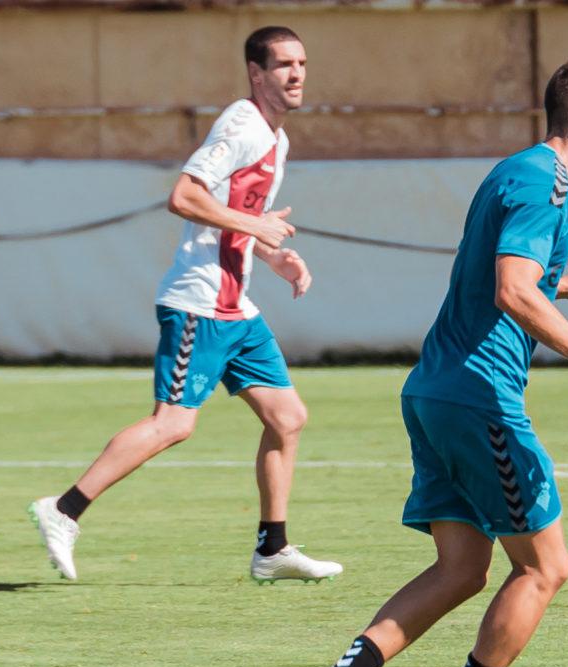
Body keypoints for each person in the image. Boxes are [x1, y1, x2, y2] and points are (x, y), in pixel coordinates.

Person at [287, 57, 568, 667]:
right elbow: (513, 291)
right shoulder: (546, 184)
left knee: (461, 569)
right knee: (545, 568)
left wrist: (565, 281)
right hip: (479, 398)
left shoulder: (520, 172)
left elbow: (514, 282)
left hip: (435, 391)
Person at [27, 26, 341, 585]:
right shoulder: (241, 124)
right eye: (284, 65)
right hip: (197, 303)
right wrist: (258, 226)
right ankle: (64, 509)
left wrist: (275, 255)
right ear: (256, 73)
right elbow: (185, 196)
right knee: (173, 424)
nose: (297, 74)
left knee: (287, 417)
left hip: (235, 307)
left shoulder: (279, 139)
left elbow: (236, 221)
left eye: (302, 63)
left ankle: (272, 549)